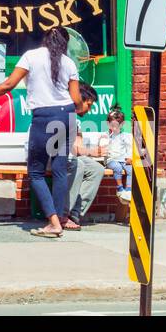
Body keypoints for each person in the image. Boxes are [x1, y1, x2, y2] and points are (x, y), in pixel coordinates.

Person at [0, 27, 81, 238]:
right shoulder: (69, 62)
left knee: (36, 172)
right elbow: (76, 99)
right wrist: (79, 109)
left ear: (45, 39)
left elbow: (8, 84)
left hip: (44, 116)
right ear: (64, 43)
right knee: (59, 169)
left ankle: (53, 222)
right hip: (67, 115)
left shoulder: (31, 56)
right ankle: (61, 218)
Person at [65, 83, 104, 228]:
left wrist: (98, 150)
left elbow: (79, 145)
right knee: (77, 164)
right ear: (79, 99)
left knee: (96, 169)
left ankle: (75, 213)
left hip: (67, 156)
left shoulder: (75, 120)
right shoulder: (63, 114)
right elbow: (76, 149)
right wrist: (95, 151)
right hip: (48, 156)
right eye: (89, 104)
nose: (90, 109)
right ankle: (63, 214)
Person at [105, 105, 133, 202]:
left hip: (123, 159)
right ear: (108, 124)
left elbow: (129, 147)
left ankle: (128, 190)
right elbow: (104, 148)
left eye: (118, 125)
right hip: (111, 160)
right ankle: (120, 189)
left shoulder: (125, 136)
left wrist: (129, 158)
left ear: (122, 125)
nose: (115, 128)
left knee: (130, 169)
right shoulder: (107, 136)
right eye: (112, 126)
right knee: (117, 168)